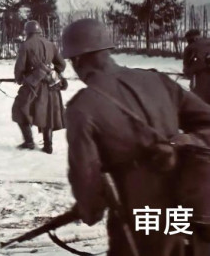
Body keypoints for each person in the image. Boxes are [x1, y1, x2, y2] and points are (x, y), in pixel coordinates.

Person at [63, 18, 210, 255]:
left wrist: (90, 210)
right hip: (190, 206)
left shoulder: (82, 108)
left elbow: (86, 175)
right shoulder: (157, 80)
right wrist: (189, 141)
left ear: (77, 60)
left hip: (140, 219)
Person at [11, 20, 66, 153]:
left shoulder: (26, 45)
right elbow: (62, 64)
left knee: (19, 109)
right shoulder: (50, 44)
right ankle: (48, 145)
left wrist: (19, 79)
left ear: (27, 31)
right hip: (51, 85)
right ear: (39, 31)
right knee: (47, 113)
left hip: (33, 86)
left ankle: (29, 142)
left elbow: (19, 68)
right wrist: (52, 73)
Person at [183, 28, 210, 104]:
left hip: (201, 74)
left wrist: (187, 73)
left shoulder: (190, 48)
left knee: (198, 98)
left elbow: (186, 65)